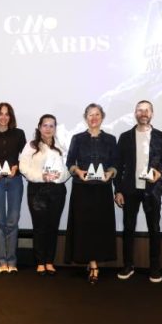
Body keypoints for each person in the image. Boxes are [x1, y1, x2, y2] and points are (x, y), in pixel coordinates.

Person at [114, 100, 162, 283]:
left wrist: (160, 173)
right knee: (128, 228)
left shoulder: (161, 137)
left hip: (152, 190)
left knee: (154, 228)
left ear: (152, 114)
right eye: (140, 110)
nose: (143, 113)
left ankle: (155, 268)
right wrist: (118, 190)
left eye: (147, 110)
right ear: (135, 113)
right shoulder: (125, 137)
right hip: (129, 190)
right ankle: (128, 265)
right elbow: (118, 166)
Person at [65, 103, 117, 284]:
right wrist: (77, 171)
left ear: (102, 117)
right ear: (85, 118)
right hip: (82, 189)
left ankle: (93, 261)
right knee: (84, 227)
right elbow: (70, 162)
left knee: (99, 227)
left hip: (103, 189)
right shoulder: (77, 138)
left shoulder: (111, 139)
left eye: (97, 115)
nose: (94, 118)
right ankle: (93, 264)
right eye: (90, 115)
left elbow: (115, 163)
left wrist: (111, 173)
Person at [19, 114, 70, 276]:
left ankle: (49, 261)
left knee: (53, 226)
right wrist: (42, 176)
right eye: (45, 125)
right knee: (40, 227)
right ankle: (40, 262)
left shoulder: (61, 146)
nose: (48, 129)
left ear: (55, 128)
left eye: (51, 126)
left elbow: (69, 168)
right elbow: (23, 167)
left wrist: (59, 177)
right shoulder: (31, 146)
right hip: (37, 191)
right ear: (39, 127)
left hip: (57, 190)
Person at [0, 102, 26, 274]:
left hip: (15, 180)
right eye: (0, 114)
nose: (3, 117)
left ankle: (12, 261)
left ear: (11, 117)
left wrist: (17, 167)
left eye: (7, 114)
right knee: (0, 222)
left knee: (13, 221)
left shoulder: (19, 134)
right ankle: (2, 261)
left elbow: (26, 157)